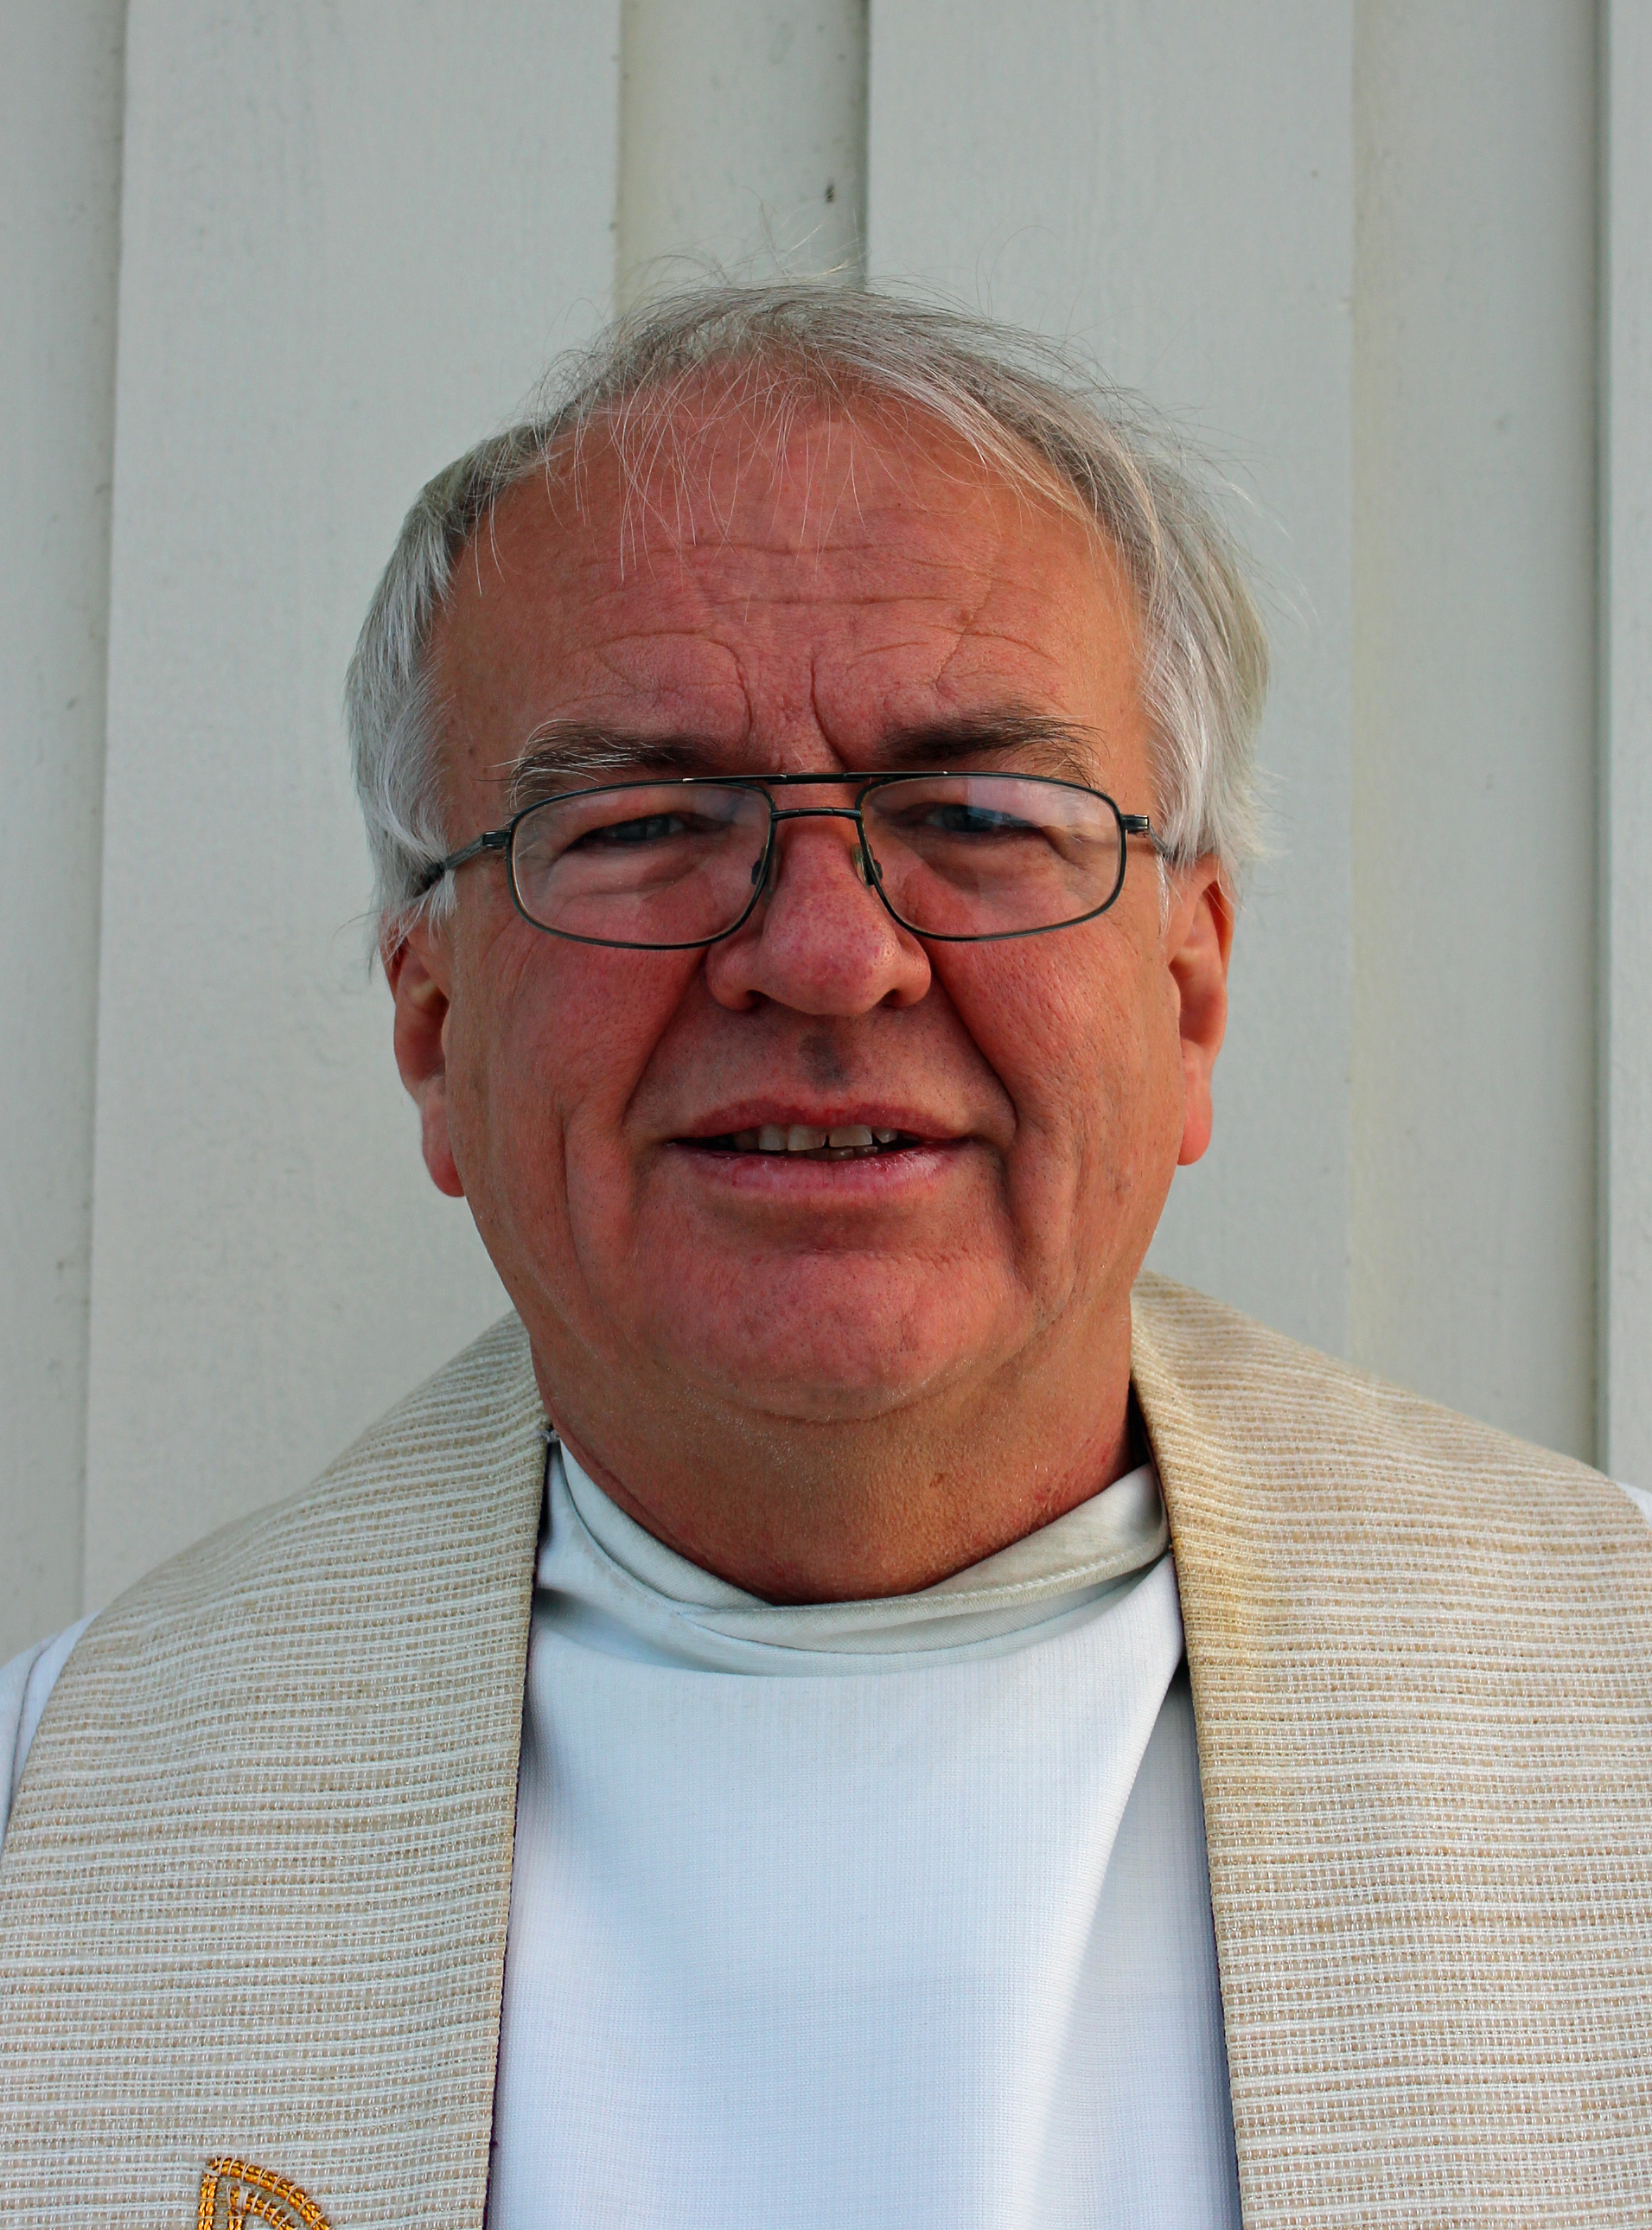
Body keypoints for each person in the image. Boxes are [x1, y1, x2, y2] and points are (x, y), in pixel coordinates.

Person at [2, 287, 1648, 2230]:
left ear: (1188, 998)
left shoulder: (1608, 1719)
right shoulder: (58, 1824)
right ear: (433, 1028)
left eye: (975, 814)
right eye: (641, 822)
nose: (825, 954)